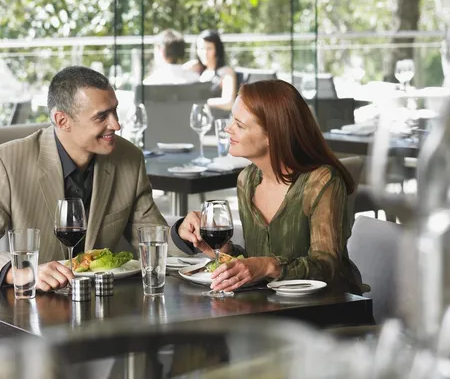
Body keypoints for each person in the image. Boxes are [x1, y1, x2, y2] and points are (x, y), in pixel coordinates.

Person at [172, 79, 365, 295]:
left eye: (239, 124)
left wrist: (267, 266)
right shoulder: (247, 180)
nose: (228, 129)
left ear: (272, 135)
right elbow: (257, 264)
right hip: (268, 308)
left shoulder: (321, 181)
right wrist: (222, 252)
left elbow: (326, 265)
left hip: (326, 310)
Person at [0, 66, 170, 292]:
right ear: (62, 120)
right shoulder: (8, 162)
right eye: (102, 116)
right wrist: (19, 273)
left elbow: (153, 239)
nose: (116, 125)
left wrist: (183, 235)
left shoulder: (130, 158)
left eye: (115, 111)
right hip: (30, 307)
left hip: (105, 306)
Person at [186, 30, 237, 111]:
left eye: (209, 48)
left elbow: (229, 103)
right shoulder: (200, 71)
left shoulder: (226, 72)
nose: (205, 53)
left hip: (217, 119)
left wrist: (202, 102)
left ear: (217, 50)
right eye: (201, 48)